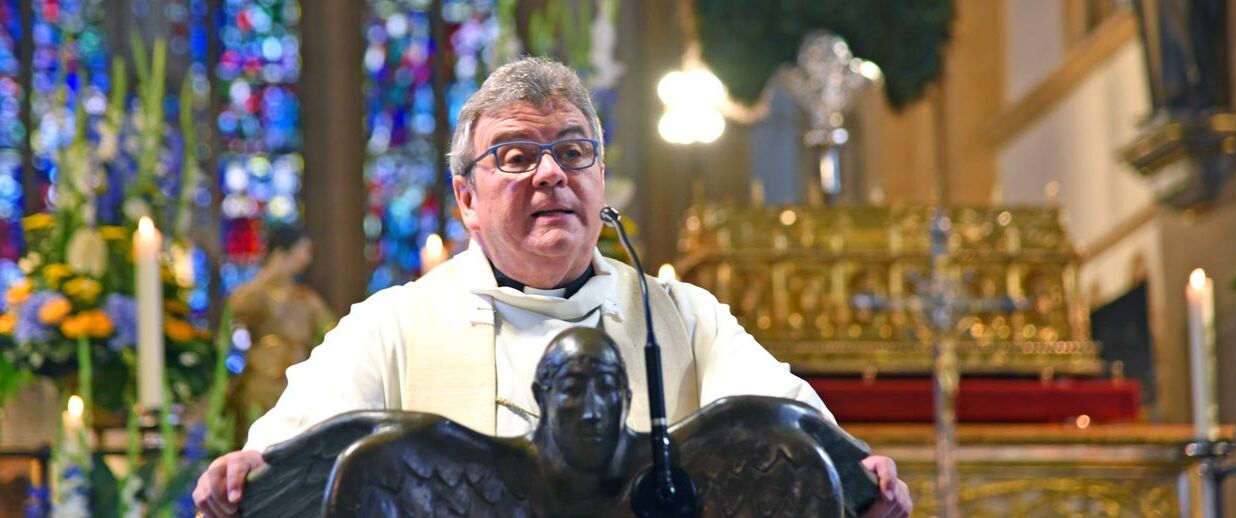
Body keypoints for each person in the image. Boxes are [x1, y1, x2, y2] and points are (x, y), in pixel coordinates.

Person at [194, 56, 912, 518]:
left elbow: (791, 429)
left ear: (600, 181)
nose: (550, 174)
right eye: (515, 156)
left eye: (573, 152)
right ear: (466, 199)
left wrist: (861, 474)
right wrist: (242, 475)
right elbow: (288, 461)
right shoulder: (395, 324)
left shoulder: (682, 317)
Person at [224, 226, 333, 444]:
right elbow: (233, 317)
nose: (307, 259)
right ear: (282, 253)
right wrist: (269, 273)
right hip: (262, 379)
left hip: (300, 378)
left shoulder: (306, 297)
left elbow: (332, 330)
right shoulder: (256, 293)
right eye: (304, 251)